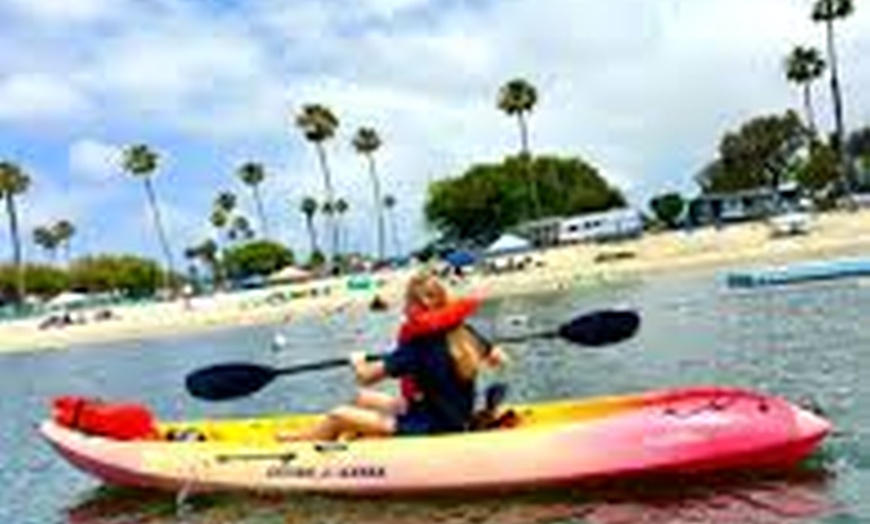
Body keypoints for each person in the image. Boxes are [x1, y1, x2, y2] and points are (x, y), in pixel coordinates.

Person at [284, 273, 508, 441]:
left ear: (417, 306)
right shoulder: (464, 332)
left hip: (430, 427)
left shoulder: (417, 345)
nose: (404, 309)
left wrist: (358, 361)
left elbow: (365, 376)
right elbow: (499, 358)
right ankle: (352, 438)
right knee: (363, 399)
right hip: (453, 416)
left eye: (407, 303)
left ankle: (305, 444)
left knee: (337, 414)